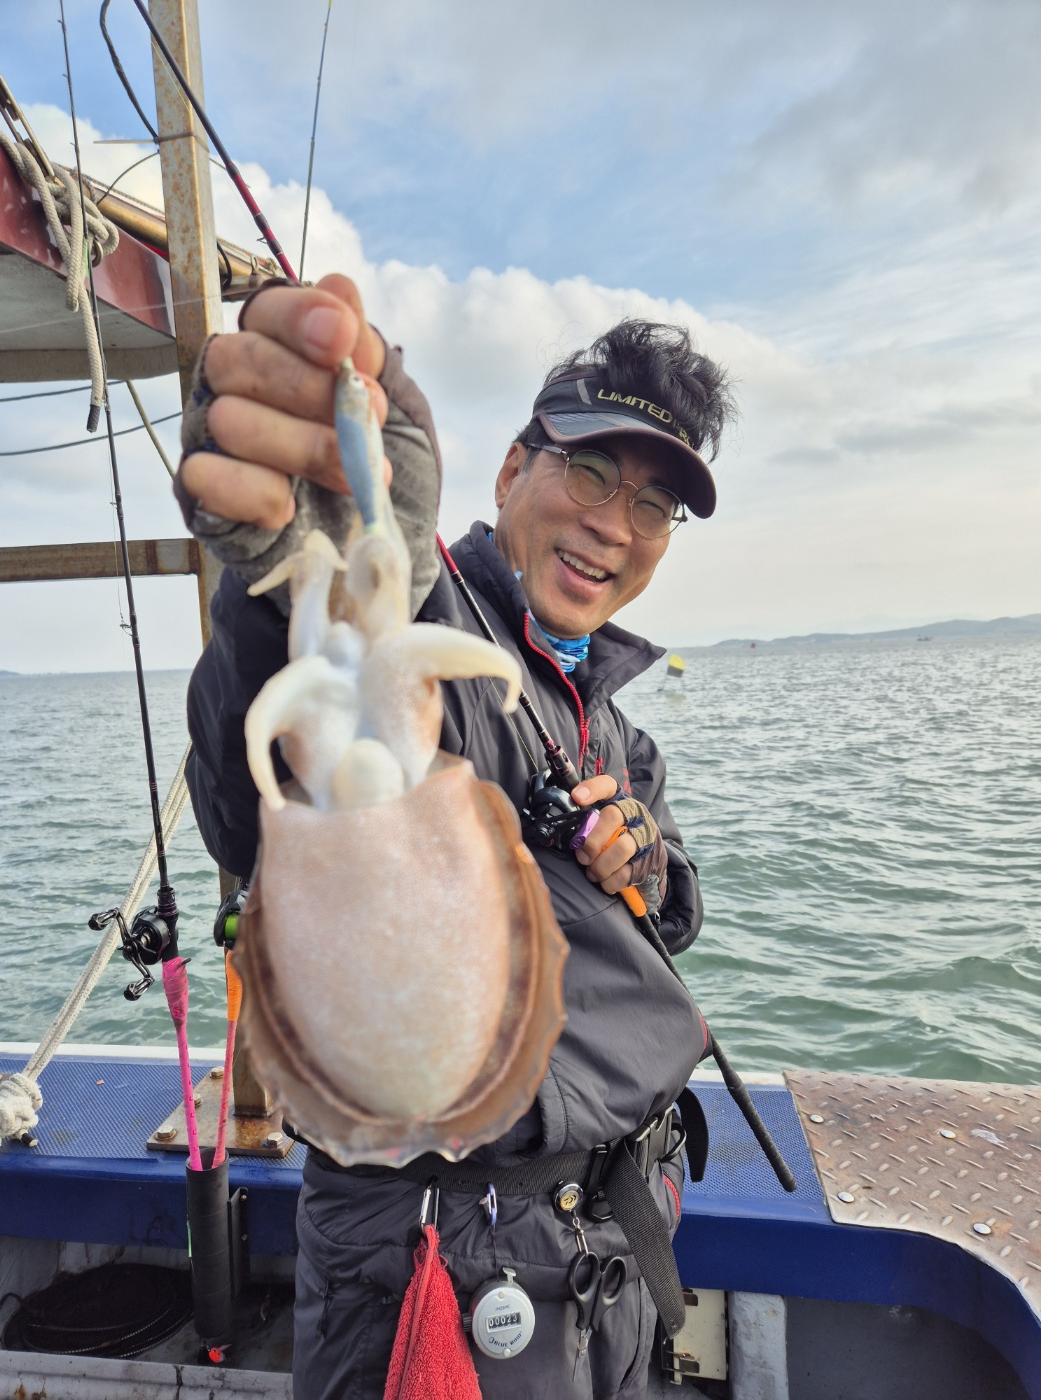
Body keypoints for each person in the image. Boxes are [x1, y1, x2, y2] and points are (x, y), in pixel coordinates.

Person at [176, 275, 734, 1399]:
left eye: (654, 505)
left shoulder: (612, 722)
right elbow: (259, 790)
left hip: (613, 1244)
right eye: (590, 471)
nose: (614, 524)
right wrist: (283, 577)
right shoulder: (435, 629)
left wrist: (643, 855)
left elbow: (673, 910)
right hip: (447, 1249)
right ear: (511, 470)